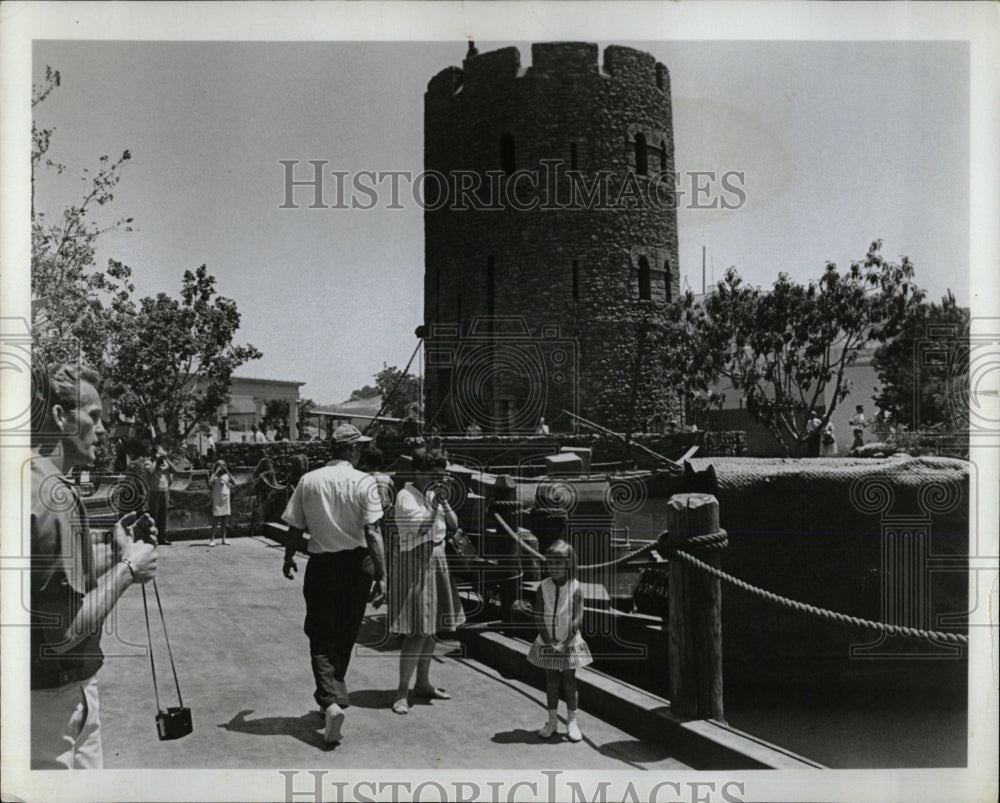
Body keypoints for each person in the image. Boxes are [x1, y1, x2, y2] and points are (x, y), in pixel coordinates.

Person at [30, 363, 159, 769]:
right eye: (95, 417)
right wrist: (129, 569)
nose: (103, 430)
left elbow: (41, 589)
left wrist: (111, 551)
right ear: (60, 417)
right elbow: (64, 633)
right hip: (52, 703)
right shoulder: (54, 496)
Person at [280, 424, 386, 744]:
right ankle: (332, 698)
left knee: (320, 633)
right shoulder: (364, 482)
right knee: (345, 633)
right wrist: (382, 574)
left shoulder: (308, 481)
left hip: (323, 566)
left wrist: (287, 558)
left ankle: (330, 701)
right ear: (352, 450)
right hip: (358, 566)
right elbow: (373, 533)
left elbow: (295, 528)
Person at [389, 448, 466, 715]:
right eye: (435, 475)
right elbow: (420, 529)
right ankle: (401, 692)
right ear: (419, 473)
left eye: (443, 475)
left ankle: (423, 683)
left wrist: (443, 502)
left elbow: (454, 525)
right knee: (416, 631)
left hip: (437, 556)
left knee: (432, 628)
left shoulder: (433, 494)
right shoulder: (405, 496)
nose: (441, 480)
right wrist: (435, 505)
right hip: (415, 560)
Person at [527, 540, 592, 742]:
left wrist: (564, 643)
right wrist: (547, 641)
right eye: (550, 563)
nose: (553, 568)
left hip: (569, 644)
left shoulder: (576, 587)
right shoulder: (543, 587)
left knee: (570, 683)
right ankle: (552, 721)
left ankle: (572, 722)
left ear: (568, 564)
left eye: (558, 563)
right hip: (547, 642)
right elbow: (538, 614)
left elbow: (577, 618)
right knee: (551, 682)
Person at [142, 443, 177, 545]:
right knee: (153, 516)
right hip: (154, 492)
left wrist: (167, 459)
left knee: (163, 516)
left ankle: (162, 537)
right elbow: (150, 472)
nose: (161, 454)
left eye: (162, 452)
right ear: (153, 453)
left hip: (164, 492)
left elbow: (175, 470)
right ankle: (152, 537)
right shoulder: (149, 462)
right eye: (159, 452)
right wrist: (156, 460)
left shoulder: (165, 463)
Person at [251, 457, 284, 536]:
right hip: (265, 495)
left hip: (261, 495)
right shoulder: (267, 474)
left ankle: (257, 530)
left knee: (260, 513)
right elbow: (273, 485)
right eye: (270, 463)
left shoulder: (262, 474)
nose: (271, 465)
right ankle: (261, 530)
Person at [208, 460, 235, 547]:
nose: (222, 467)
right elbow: (210, 482)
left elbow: (235, 482)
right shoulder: (214, 476)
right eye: (219, 465)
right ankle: (212, 540)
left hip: (225, 499)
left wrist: (227, 471)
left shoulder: (227, 475)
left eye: (223, 465)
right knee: (216, 519)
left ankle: (224, 539)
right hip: (217, 499)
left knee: (224, 520)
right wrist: (215, 472)